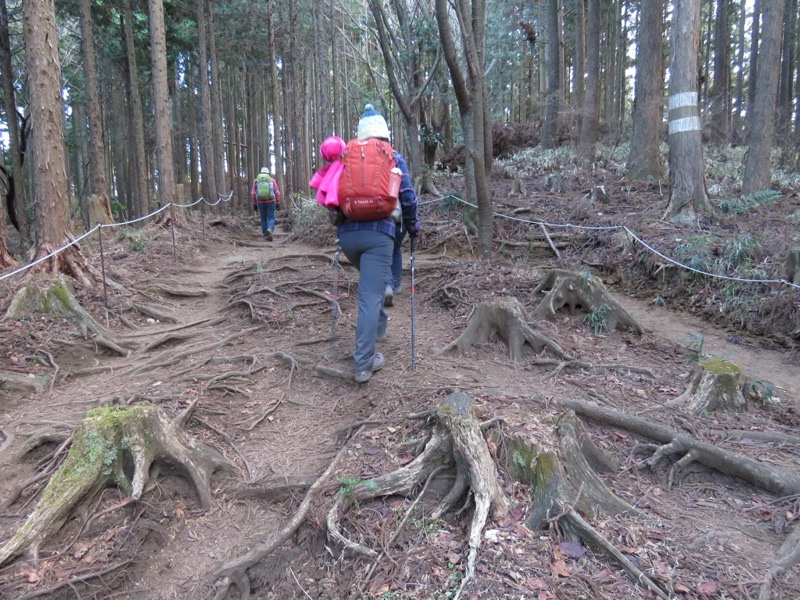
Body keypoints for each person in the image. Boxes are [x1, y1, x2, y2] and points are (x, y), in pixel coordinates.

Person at [332, 104, 420, 383]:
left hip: (348, 236)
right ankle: (363, 363)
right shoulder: (392, 156)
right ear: (384, 134)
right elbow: (407, 196)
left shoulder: (345, 155)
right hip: (379, 235)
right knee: (370, 296)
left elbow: (330, 195)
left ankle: (378, 327)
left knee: (372, 285)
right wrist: (414, 226)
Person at [251, 167, 281, 241]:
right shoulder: (272, 180)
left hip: (261, 202)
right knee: (271, 218)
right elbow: (277, 192)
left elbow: (253, 193)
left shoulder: (256, 181)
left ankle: (265, 235)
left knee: (263, 219)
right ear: (268, 173)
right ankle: (270, 229)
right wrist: (278, 202)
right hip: (271, 202)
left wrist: (254, 203)